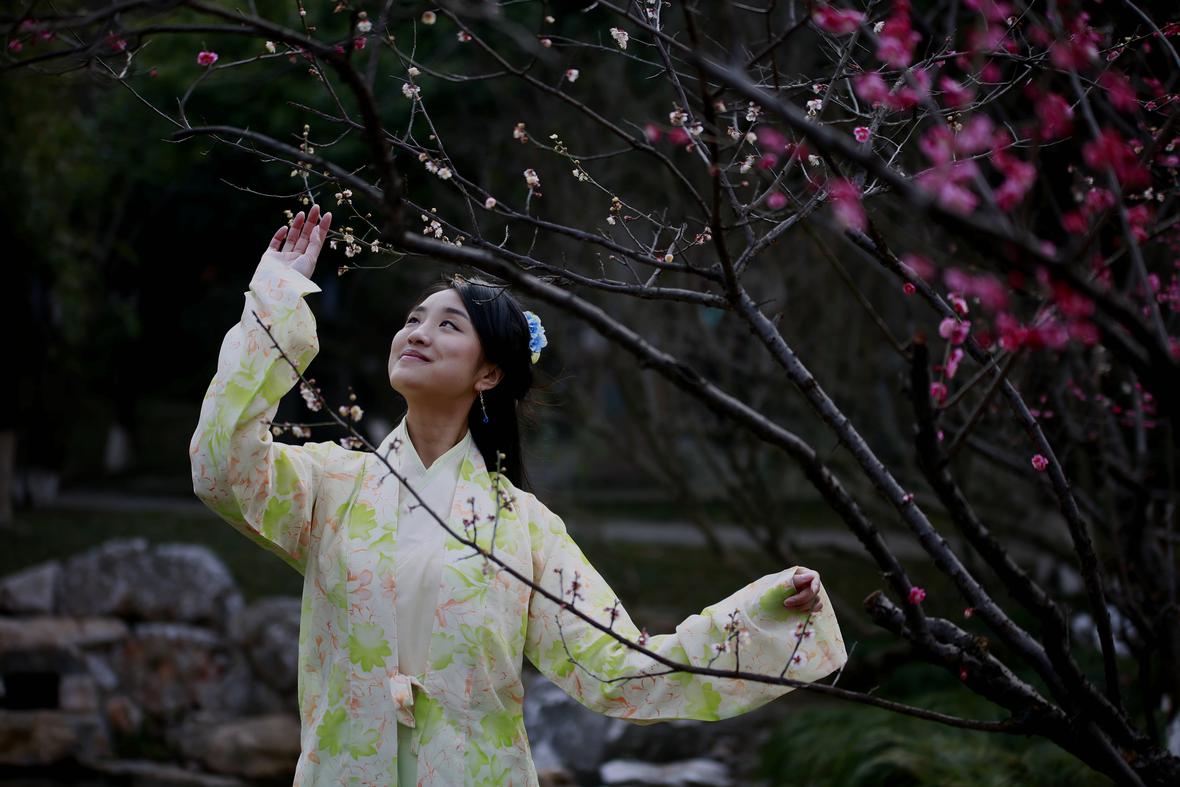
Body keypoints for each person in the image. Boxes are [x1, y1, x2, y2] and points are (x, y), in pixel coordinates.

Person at [190, 204, 847, 786]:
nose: (417, 332)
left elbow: (614, 668)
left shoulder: (523, 527)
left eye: (448, 325)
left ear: (489, 372)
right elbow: (222, 466)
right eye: (413, 318)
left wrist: (762, 617)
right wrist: (276, 304)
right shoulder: (332, 485)